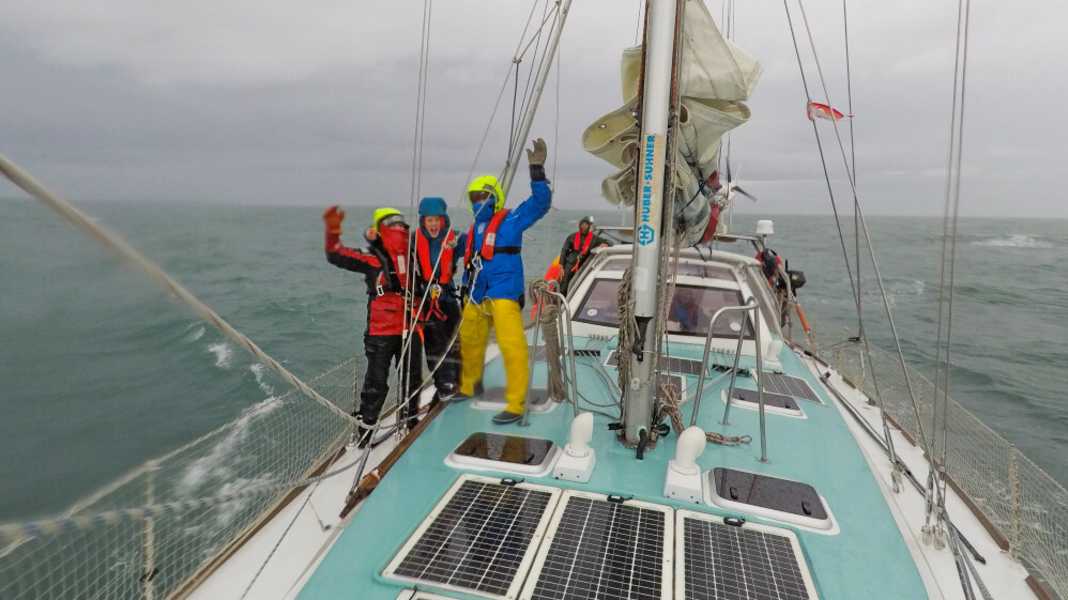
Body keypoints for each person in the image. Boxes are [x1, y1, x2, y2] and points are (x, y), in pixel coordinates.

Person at [456, 138, 552, 424]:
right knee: (469, 340)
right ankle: (469, 384)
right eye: (474, 197)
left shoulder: (511, 220)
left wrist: (537, 171)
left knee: (512, 346)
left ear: (494, 197)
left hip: (503, 292)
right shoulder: (473, 230)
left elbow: (540, 204)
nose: (478, 201)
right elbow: (457, 253)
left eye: (482, 196)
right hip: (476, 293)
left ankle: (516, 402)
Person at [322, 206, 422, 446]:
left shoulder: (413, 255)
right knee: (376, 383)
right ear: (381, 229)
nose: (398, 228)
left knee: (412, 378)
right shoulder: (371, 257)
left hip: (411, 325)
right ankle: (366, 429)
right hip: (381, 331)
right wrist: (333, 229)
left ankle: (410, 420)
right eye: (392, 224)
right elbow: (336, 254)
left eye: (401, 223)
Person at [412, 196, 461, 407]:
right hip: (428, 299)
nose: (433, 224)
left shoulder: (454, 238)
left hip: (448, 296)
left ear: (443, 220)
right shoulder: (414, 240)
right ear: (423, 221)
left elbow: (475, 246)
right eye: (429, 220)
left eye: (436, 220)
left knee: (455, 340)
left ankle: (458, 380)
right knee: (434, 344)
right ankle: (443, 384)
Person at [558, 215, 611, 294]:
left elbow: (609, 242)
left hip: (584, 263)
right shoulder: (572, 236)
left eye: (586, 225)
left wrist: (605, 244)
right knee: (564, 283)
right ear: (579, 225)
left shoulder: (594, 239)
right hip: (570, 263)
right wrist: (561, 265)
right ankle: (561, 297)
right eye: (582, 224)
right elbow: (564, 250)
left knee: (578, 284)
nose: (583, 227)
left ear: (589, 226)